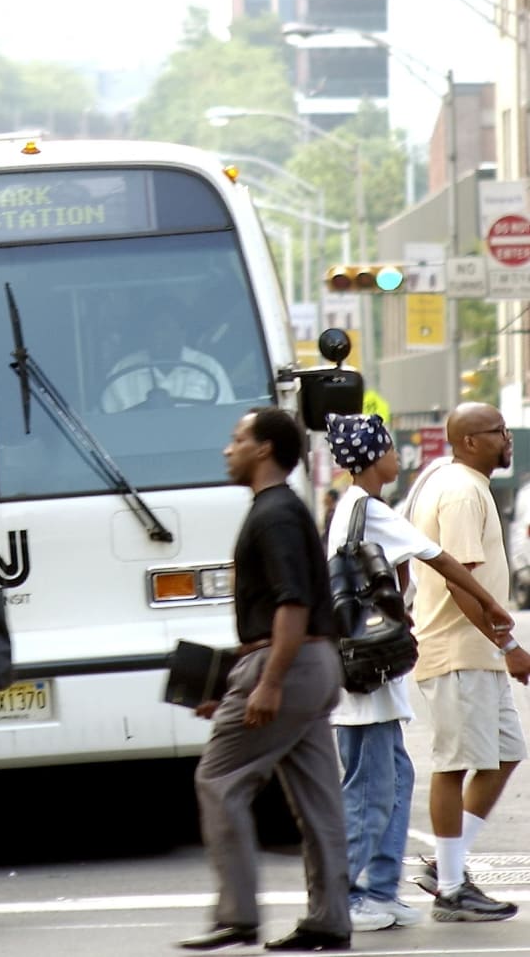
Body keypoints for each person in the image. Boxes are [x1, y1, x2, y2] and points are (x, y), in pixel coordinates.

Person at [324, 413, 515, 933]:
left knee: (397, 779)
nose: (397, 456)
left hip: (373, 677)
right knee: (370, 791)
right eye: (389, 448)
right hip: (369, 678)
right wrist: (498, 616)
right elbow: (445, 562)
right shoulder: (369, 507)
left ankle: (381, 891)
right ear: (372, 457)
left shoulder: (360, 508)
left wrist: (402, 603)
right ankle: (345, 896)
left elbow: (398, 563)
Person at [180, 408, 351, 953]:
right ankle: (329, 920)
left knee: (219, 778)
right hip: (314, 665)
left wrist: (268, 682)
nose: (227, 449)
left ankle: (238, 914)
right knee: (319, 802)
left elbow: (292, 602)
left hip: (291, 663)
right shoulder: (285, 509)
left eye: (237, 440)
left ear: (264, 449)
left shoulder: (273, 514)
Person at [404, 402, 530, 923]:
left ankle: (445, 865)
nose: (508, 439)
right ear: (470, 441)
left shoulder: (468, 485)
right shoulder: (458, 491)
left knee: (505, 753)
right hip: (457, 652)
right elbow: (460, 583)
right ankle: (452, 889)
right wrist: (509, 646)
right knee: (453, 764)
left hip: (476, 654)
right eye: (498, 431)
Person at [101, 299, 234, 413]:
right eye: (152, 329)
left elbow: (227, 418)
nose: (157, 335)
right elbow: (106, 423)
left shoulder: (209, 368)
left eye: (163, 327)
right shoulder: (122, 371)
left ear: (183, 332)